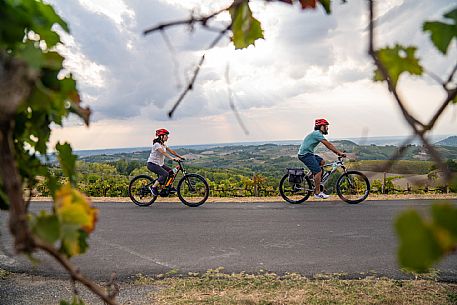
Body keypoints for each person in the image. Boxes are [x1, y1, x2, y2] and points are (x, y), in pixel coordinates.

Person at [298, 119, 346, 199]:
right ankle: (317, 193)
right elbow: (328, 145)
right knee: (318, 171)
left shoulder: (317, 134)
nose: (327, 128)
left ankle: (311, 179)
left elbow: (328, 145)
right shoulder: (317, 134)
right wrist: (339, 153)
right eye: (325, 126)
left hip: (309, 154)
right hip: (305, 155)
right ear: (321, 127)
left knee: (322, 162)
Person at [147, 128, 184, 196]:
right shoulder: (157, 145)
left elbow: (171, 151)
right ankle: (153, 187)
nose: (167, 137)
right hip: (152, 164)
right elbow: (163, 152)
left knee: (171, 172)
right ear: (161, 136)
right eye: (166, 135)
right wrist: (172, 158)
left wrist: (179, 156)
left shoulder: (163, 145)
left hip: (160, 164)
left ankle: (169, 187)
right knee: (165, 174)